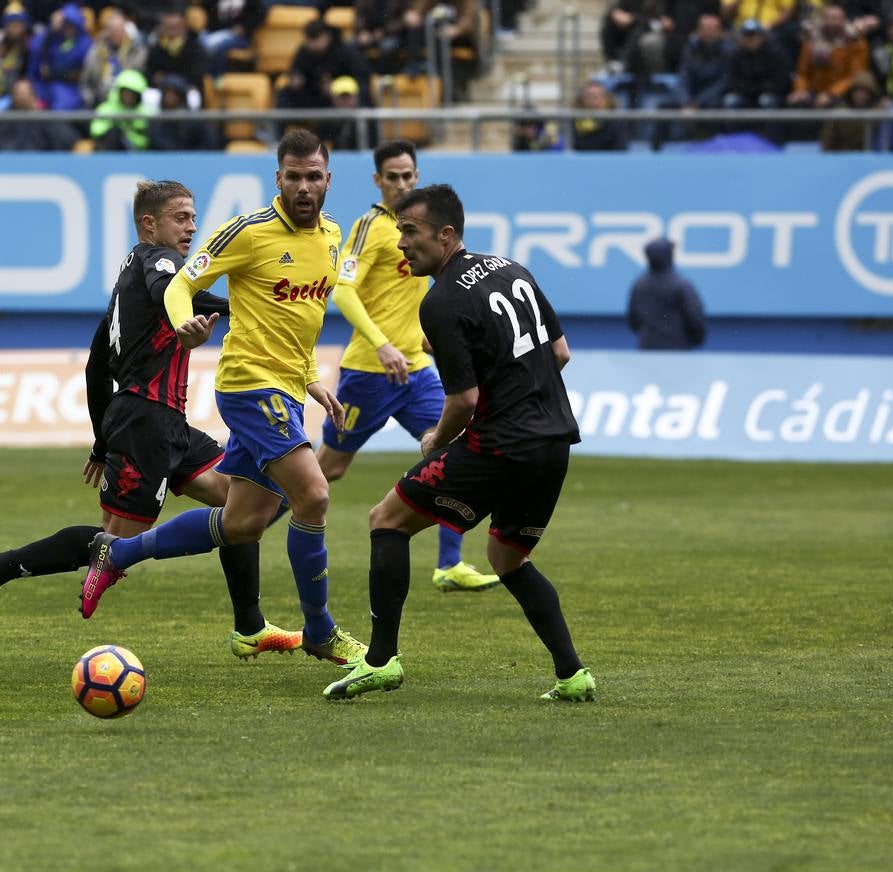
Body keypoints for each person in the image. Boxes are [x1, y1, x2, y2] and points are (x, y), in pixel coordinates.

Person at [0, 182, 301, 660]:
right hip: (145, 421)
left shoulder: (126, 280)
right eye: (181, 217)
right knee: (114, 542)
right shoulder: (158, 264)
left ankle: (250, 626)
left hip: (165, 424)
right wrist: (244, 307)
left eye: (192, 216)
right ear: (150, 224)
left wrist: (102, 441)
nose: (191, 226)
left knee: (248, 505)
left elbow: (96, 363)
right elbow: (171, 291)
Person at [81, 129, 367, 669]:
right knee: (314, 495)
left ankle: (116, 553)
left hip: (286, 386)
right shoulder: (247, 232)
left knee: (242, 522)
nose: (303, 186)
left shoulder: (331, 237)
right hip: (248, 385)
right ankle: (321, 631)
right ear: (277, 179)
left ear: (328, 180)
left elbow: (300, 320)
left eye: (313, 176)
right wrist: (183, 324)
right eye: (293, 176)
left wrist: (309, 377)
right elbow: (178, 285)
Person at [322, 184, 592, 702]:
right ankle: (572, 674)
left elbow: (464, 400)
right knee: (508, 559)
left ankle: (379, 662)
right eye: (399, 230)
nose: (402, 243)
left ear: (446, 235)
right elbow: (559, 353)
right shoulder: (512, 268)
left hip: (499, 445)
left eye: (411, 232)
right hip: (554, 441)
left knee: (386, 520)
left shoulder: (440, 300)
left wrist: (435, 439)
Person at [318, 141, 500, 594]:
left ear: (416, 176)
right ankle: (251, 522)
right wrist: (381, 345)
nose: (401, 182)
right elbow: (342, 292)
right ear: (378, 180)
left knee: (455, 449)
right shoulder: (370, 227)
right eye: (392, 176)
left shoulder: (425, 228)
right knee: (327, 470)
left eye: (408, 175)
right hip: (368, 373)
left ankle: (449, 564)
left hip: (416, 369)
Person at [627, 237, 706, 350]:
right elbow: (695, 318)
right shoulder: (681, 284)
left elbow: (633, 321)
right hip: (678, 349)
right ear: (669, 256)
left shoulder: (639, 285)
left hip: (647, 348)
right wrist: (696, 339)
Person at [89, 67, 154, 151]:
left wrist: (129, 133)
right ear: (119, 92)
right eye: (126, 93)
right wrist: (118, 125)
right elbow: (96, 131)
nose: (128, 97)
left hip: (136, 154)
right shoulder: (106, 109)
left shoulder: (146, 113)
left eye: (132, 94)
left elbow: (146, 140)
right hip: (111, 152)